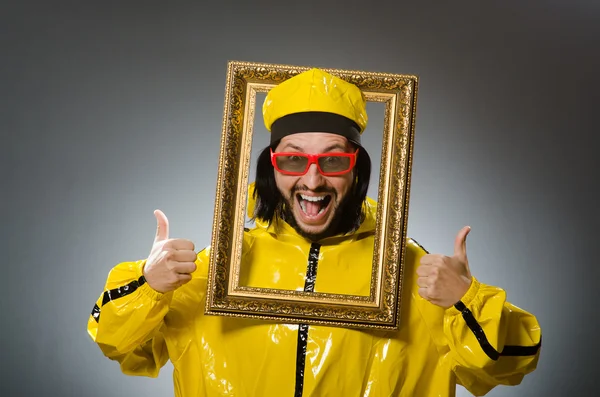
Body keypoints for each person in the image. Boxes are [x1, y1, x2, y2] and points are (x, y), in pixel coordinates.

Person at [87, 68, 542, 397]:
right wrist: (148, 286)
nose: (312, 180)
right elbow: (118, 345)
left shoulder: (409, 271)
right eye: (292, 158)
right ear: (271, 167)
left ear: (357, 169)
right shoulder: (220, 267)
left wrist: (467, 299)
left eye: (333, 159)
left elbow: (511, 363)